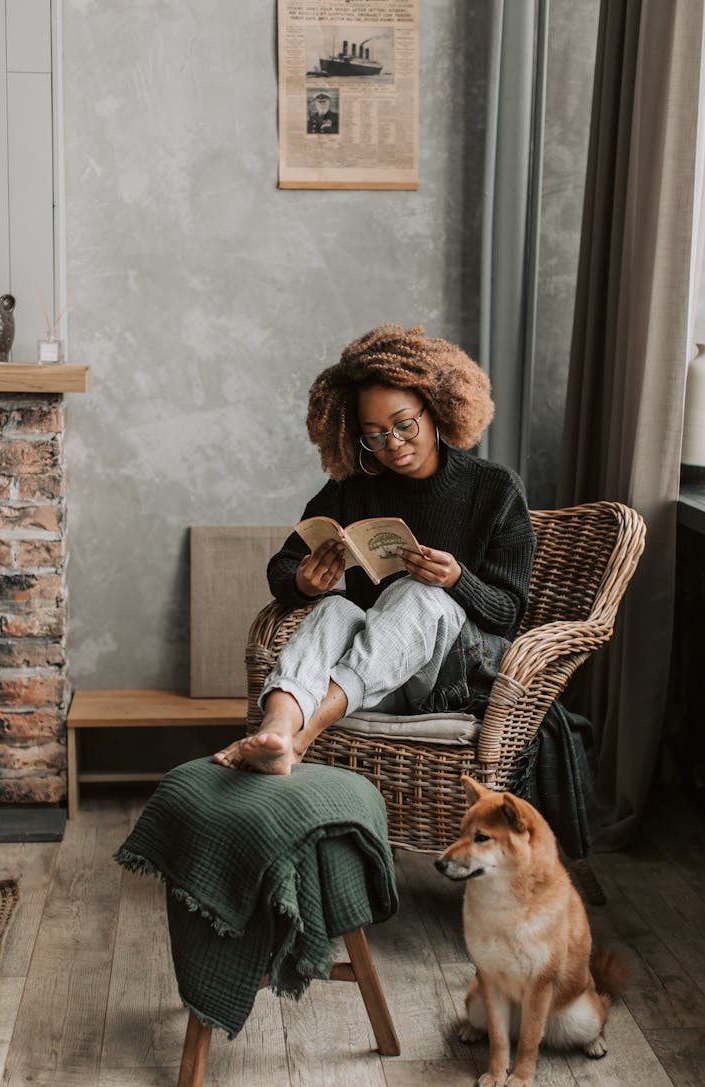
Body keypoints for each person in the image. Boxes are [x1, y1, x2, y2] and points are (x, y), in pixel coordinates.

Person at [215, 324, 536, 775]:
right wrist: (303, 582)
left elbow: (509, 613)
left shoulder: (495, 487)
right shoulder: (353, 489)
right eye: (375, 435)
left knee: (418, 592)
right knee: (334, 610)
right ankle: (276, 729)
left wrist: (457, 580)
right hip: (379, 676)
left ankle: (302, 737)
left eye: (404, 425)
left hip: (456, 677)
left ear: (437, 408)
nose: (393, 445)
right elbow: (283, 564)